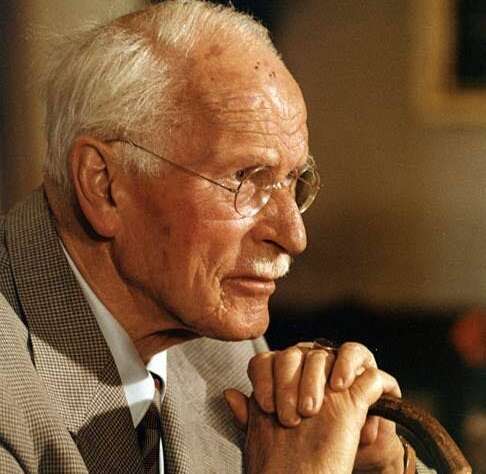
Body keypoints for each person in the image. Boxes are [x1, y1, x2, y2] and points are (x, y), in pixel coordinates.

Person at [0, 1, 433, 472]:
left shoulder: (217, 337)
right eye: (245, 178)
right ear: (104, 185)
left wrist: (382, 467)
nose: (294, 235)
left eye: (293, 181)